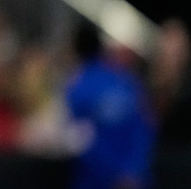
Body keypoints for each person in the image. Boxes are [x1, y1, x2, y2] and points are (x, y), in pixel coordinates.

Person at [63, 21, 156, 189]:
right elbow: (145, 129)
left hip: (96, 179)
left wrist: (125, 173)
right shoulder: (128, 81)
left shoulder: (79, 86)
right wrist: (131, 171)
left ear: (76, 48)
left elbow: (78, 139)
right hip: (125, 177)